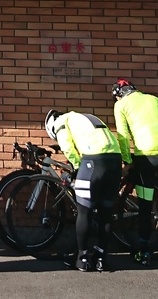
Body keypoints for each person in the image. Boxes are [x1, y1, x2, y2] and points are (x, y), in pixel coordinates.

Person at [112, 77, 158, 267]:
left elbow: (122, 136)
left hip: (145, 158)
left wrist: (127, 161)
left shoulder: (121, 105)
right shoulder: (156, 100)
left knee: (145, 207)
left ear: (119, 95)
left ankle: (144, 253)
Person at [43, 108, 124, 272]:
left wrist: (76, 168)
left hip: (93, 162)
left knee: (84, 212)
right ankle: (101, 258)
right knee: (105, 213)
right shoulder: (86, 117)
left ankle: (82, 259)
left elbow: (67, 147)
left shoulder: (60, 122)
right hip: (115, 160)